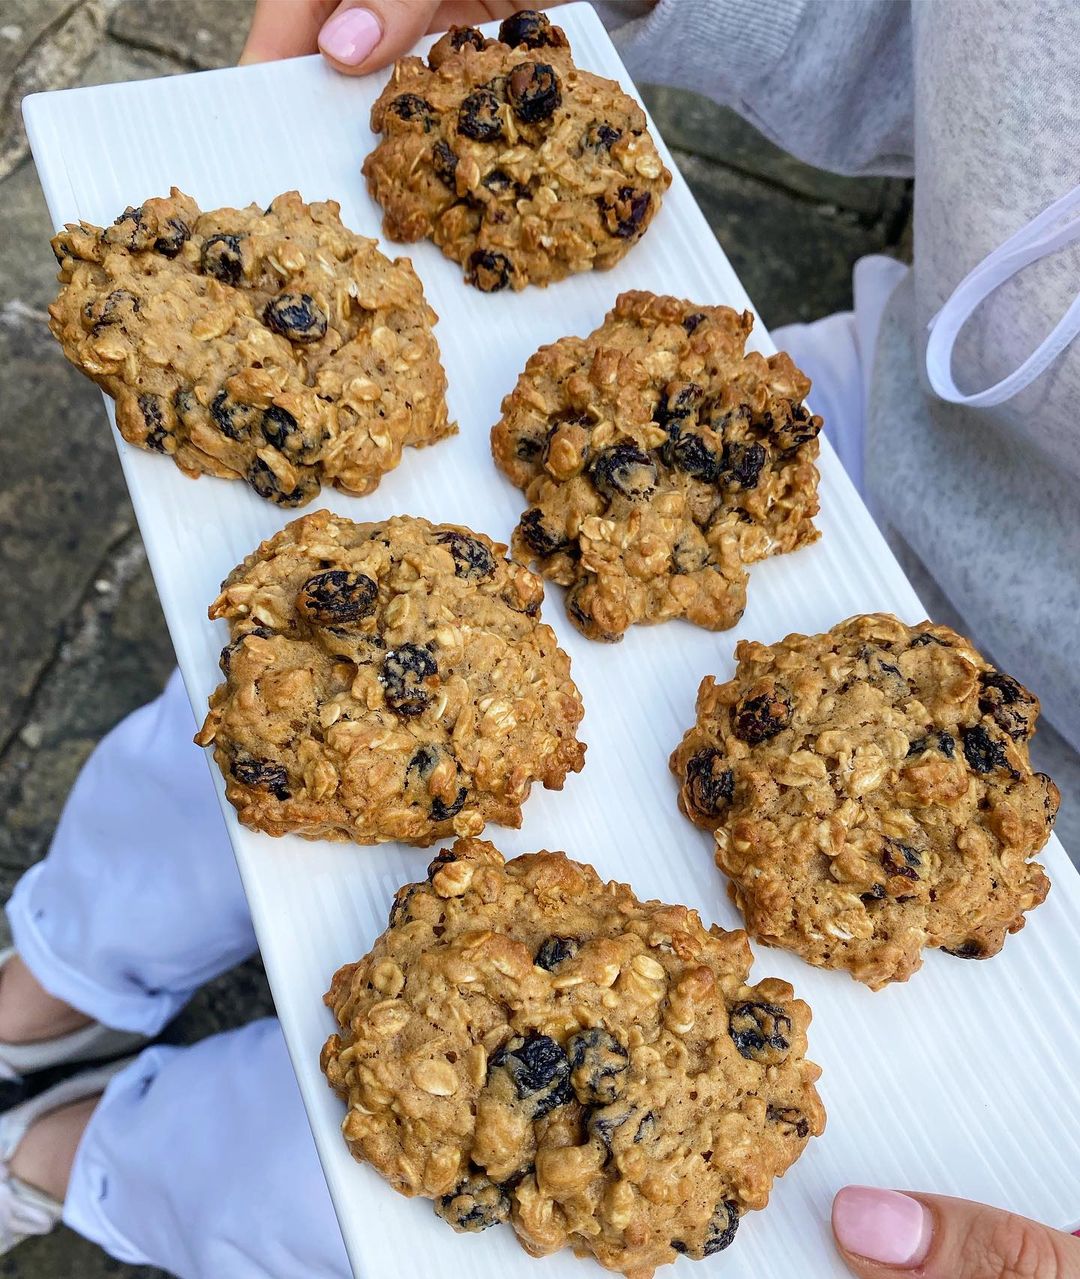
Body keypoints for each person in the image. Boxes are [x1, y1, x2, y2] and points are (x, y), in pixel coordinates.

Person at [3, 2, 1077, 1276]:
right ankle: (60, 971)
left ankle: (76, 1164)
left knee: (304, 1181)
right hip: (859, 446)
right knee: (197, 762)